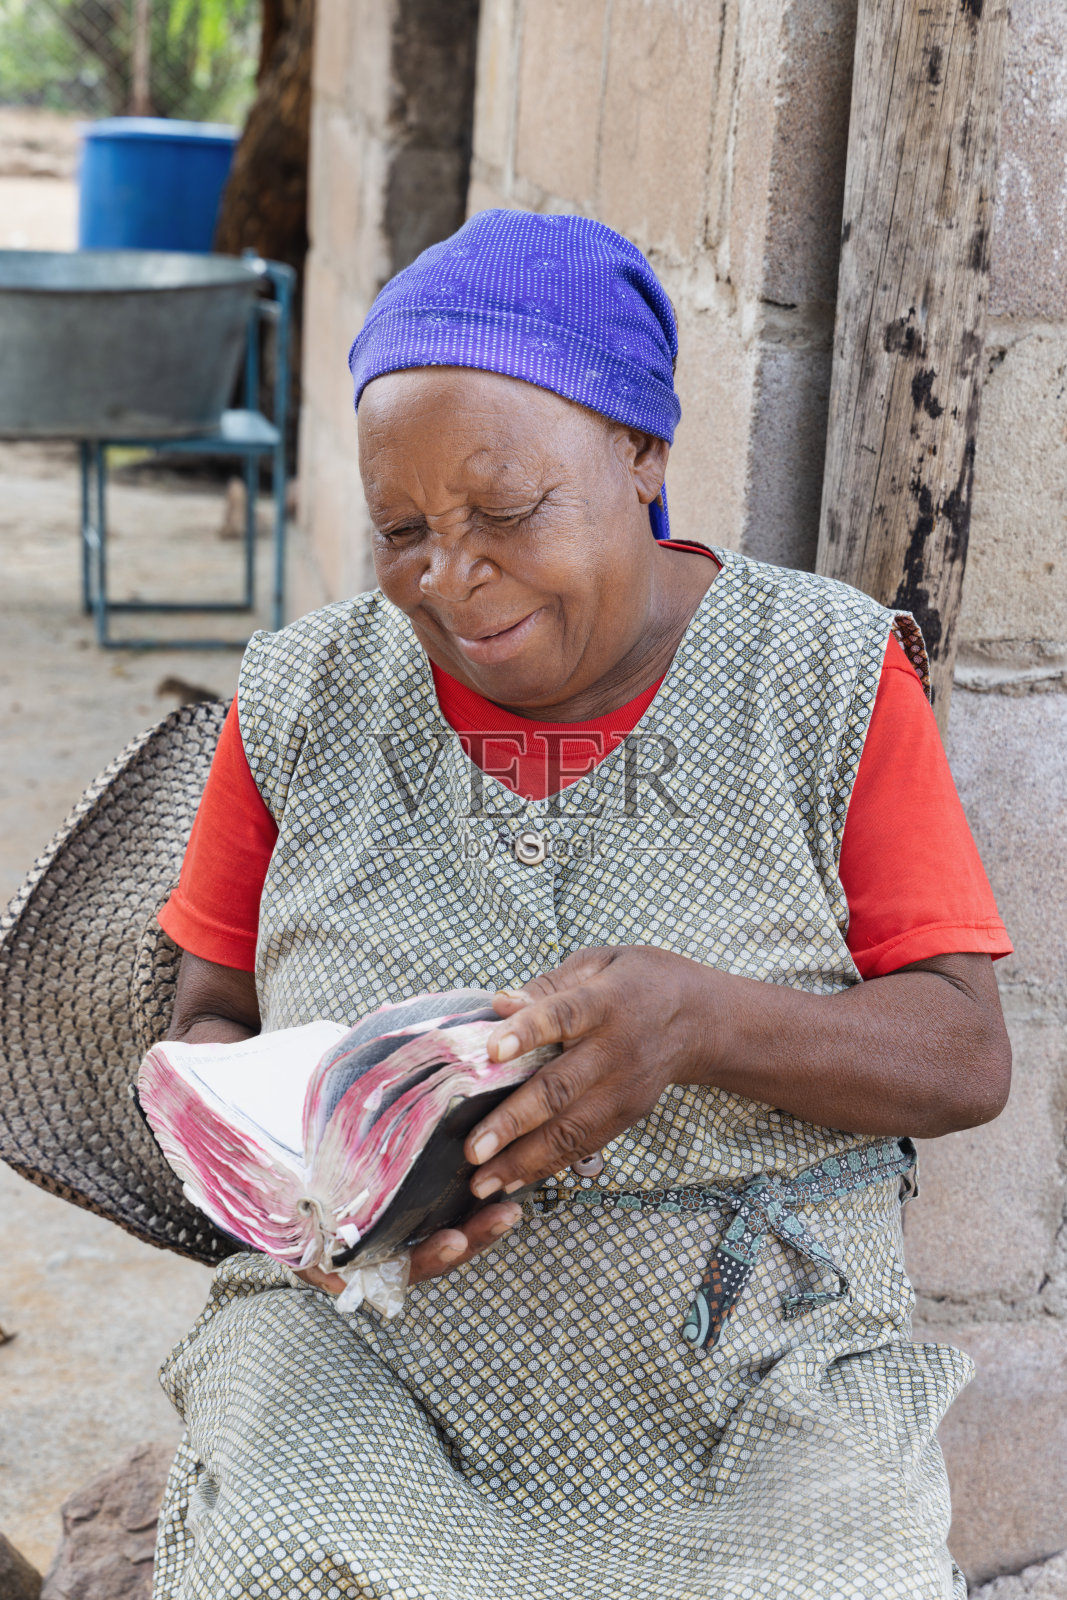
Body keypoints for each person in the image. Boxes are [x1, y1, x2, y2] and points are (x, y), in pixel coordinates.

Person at [152, 209, 1011, 1600]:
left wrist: (701, 1024)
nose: (450, 574)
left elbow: (965, 1055)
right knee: (272, 1550)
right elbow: (206, 1015)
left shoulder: (827, 680)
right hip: (375, 1360)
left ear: (642, 452)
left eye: (505, 512)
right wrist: (293, 1186)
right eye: (403, 531)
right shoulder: (302, 700)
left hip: (752, 1384)